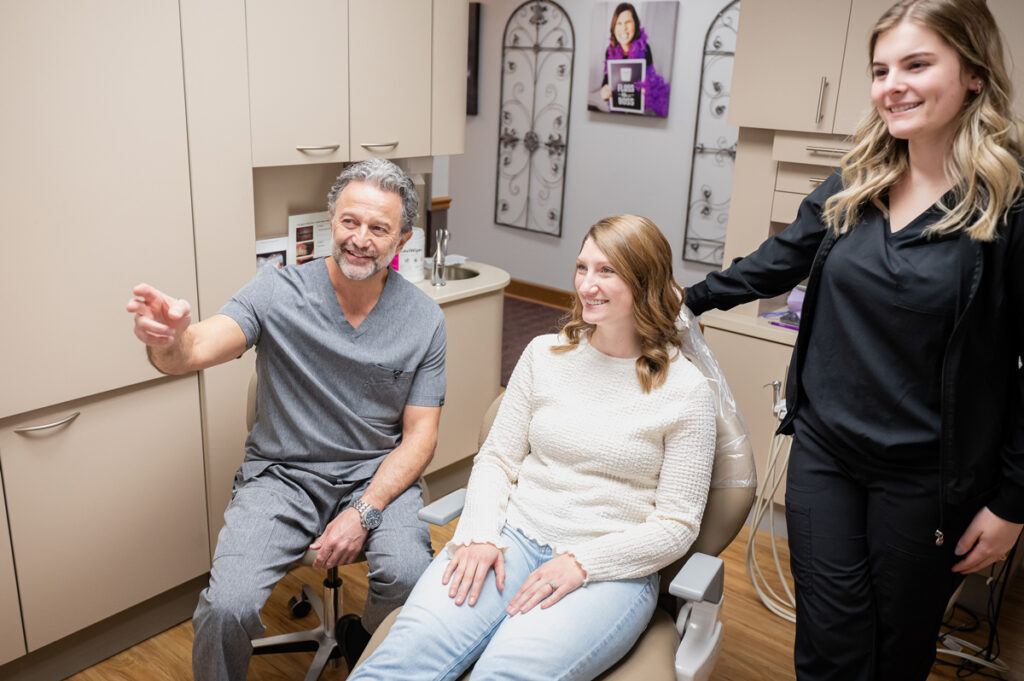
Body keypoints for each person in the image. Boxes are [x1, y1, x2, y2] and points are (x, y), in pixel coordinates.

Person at [685, 1, 1024, 679]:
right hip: (826, 457)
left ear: (976, 75)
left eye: (917, 64)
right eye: (880, 69)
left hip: (928, 479)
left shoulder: (1008, 206)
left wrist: (1013, 500)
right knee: (827, 647)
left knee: (895, 654)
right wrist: (686, 299)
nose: (892, 84)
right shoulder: (857, 183)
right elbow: (776, 260)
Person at [348, 215, 717, 681]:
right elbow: (497, 460)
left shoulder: (685, 390)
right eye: (582, 267)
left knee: (501, 674)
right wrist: (480, 533)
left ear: (645, 282)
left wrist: (583, 564)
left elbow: (677, 526)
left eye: (607, 271)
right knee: (399, 661)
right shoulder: (545, 355)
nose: (587, 284)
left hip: (607, 572)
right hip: (511, 537)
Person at [126, 158, 446, 680]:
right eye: (349, 222)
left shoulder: (424, 320)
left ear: (402, 239)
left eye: (378, 228)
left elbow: (420, 438)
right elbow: (194, 350)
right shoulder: (277, 291)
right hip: (282, 477)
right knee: (226, 606)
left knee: (411, 577)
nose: (359, 239)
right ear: (331, 219)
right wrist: (170, 341)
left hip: (375, 476)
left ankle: (368, 644)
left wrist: (365, 510)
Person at [599, 2, 669, 116]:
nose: (623, 28)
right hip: (619, 107)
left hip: (638, 108)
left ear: (635, 24)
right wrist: (604, 91)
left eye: (628, 22)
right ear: (614, 27)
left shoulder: (644, 48)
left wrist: (647, 89)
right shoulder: (610, 51)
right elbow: (607, 79)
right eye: (619, 23)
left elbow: (650, 78)